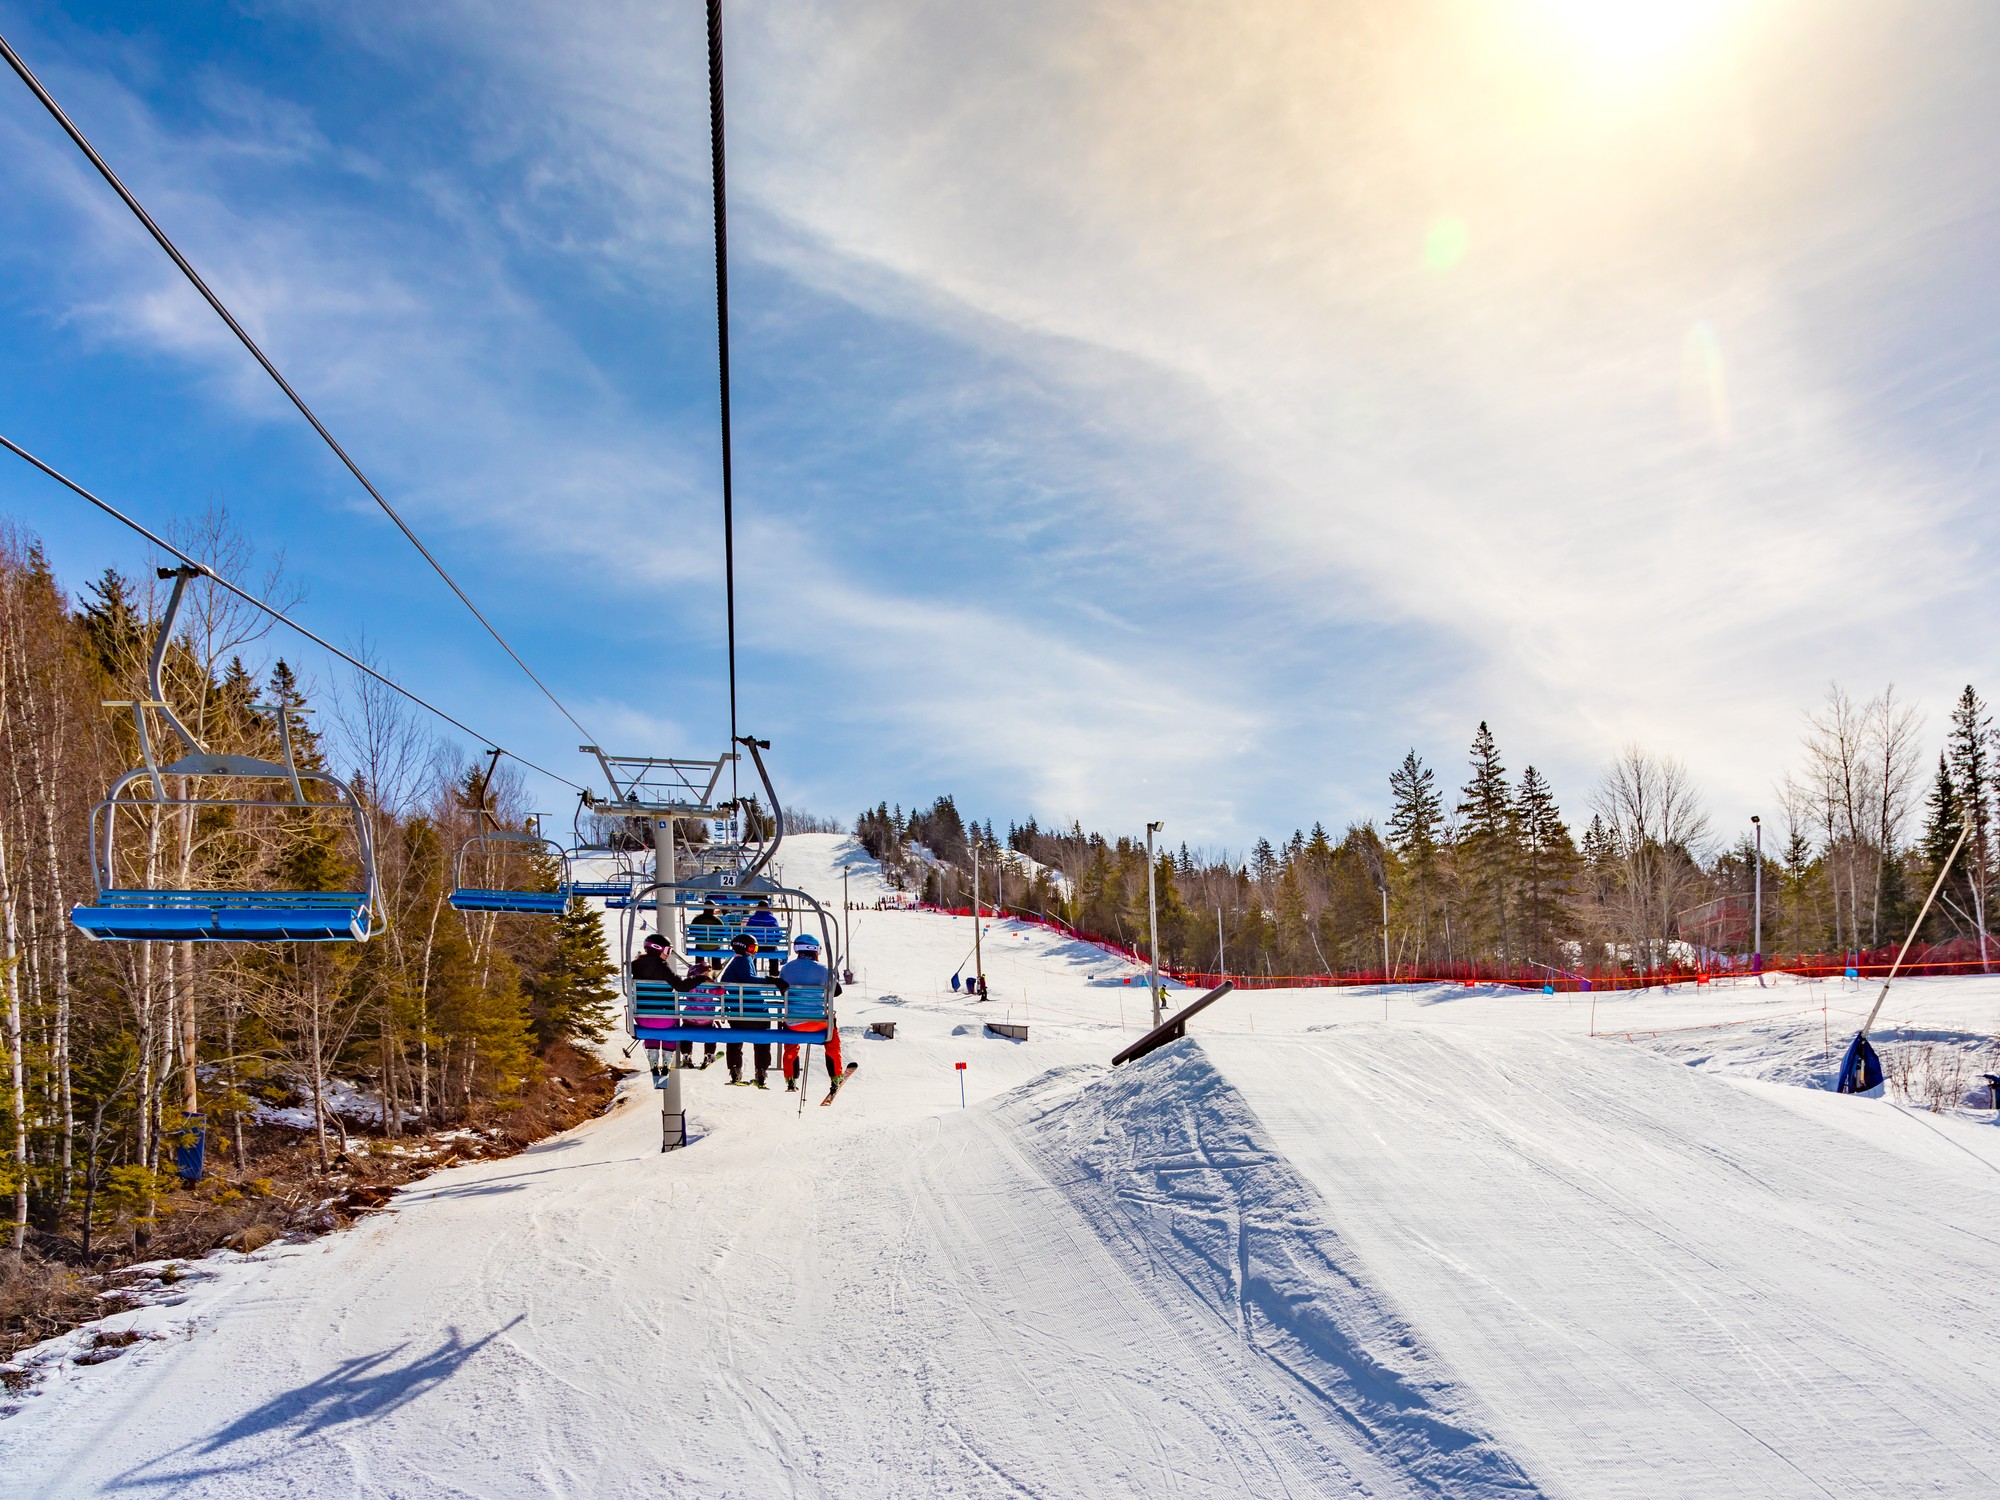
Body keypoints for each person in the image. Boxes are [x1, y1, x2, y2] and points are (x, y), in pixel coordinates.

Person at [779, 933, 846, 1094]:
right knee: (832, 1042)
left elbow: (783, 992)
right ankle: (836, 1076)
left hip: (794, 1025)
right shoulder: (823, 969)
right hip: (818, 1024)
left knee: (791, 1045)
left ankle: (790, 1078)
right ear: (814, 949)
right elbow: (837, 992)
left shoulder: (786, 969)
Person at [628, 933, 707, 1070]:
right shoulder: (661, 966)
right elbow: (681, 986)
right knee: (672, 1024)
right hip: (665, 1021)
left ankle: (653, 1058)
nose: (668, 955)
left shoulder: (635, 965)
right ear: (659, 949)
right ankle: (667, 1059)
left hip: (641, 1017)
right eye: (668, 951)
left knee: (651, 1029)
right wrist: (700, 978)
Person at [719, 932, 785, 1087]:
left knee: (734, 1038)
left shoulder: (734, 964)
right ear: (742, 948)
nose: (754, 952)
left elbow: (725, 983)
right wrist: (771, 980)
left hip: (737, 1015)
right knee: (762, 1038)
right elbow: (749, 979)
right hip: (756, 1013)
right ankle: (761, 1070)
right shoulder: (744, 959)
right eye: (752, 947)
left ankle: (735, 1069)